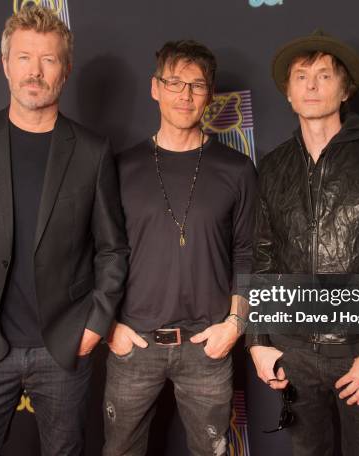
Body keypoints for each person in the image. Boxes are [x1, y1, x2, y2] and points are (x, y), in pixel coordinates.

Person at [0, 5, 128, 455]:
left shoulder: (92, 151)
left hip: (63, 348)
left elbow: (112, 250)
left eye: (49, 59)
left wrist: (94, 325)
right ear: (5, 65)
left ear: (65, 71)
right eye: (24, 57)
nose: (35, 71)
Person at [247, 30, 359, 456]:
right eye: (301, 76)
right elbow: (263, 257)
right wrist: (257, 340)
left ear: (345, 89)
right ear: (288, 93)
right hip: (293, 355)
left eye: (324, 75)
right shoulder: (273, 167)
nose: (312, 85)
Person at [102, 40, 257, 456]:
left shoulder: (237, 170)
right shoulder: (119, 167)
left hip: (207, 346)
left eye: (196, 85)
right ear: (155, 88)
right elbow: (98, 251)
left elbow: (247, 252)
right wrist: (108, 328)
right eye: (174, 83)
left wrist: (234, 325)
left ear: (209, 95)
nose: (185, 95)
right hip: (133, 344)